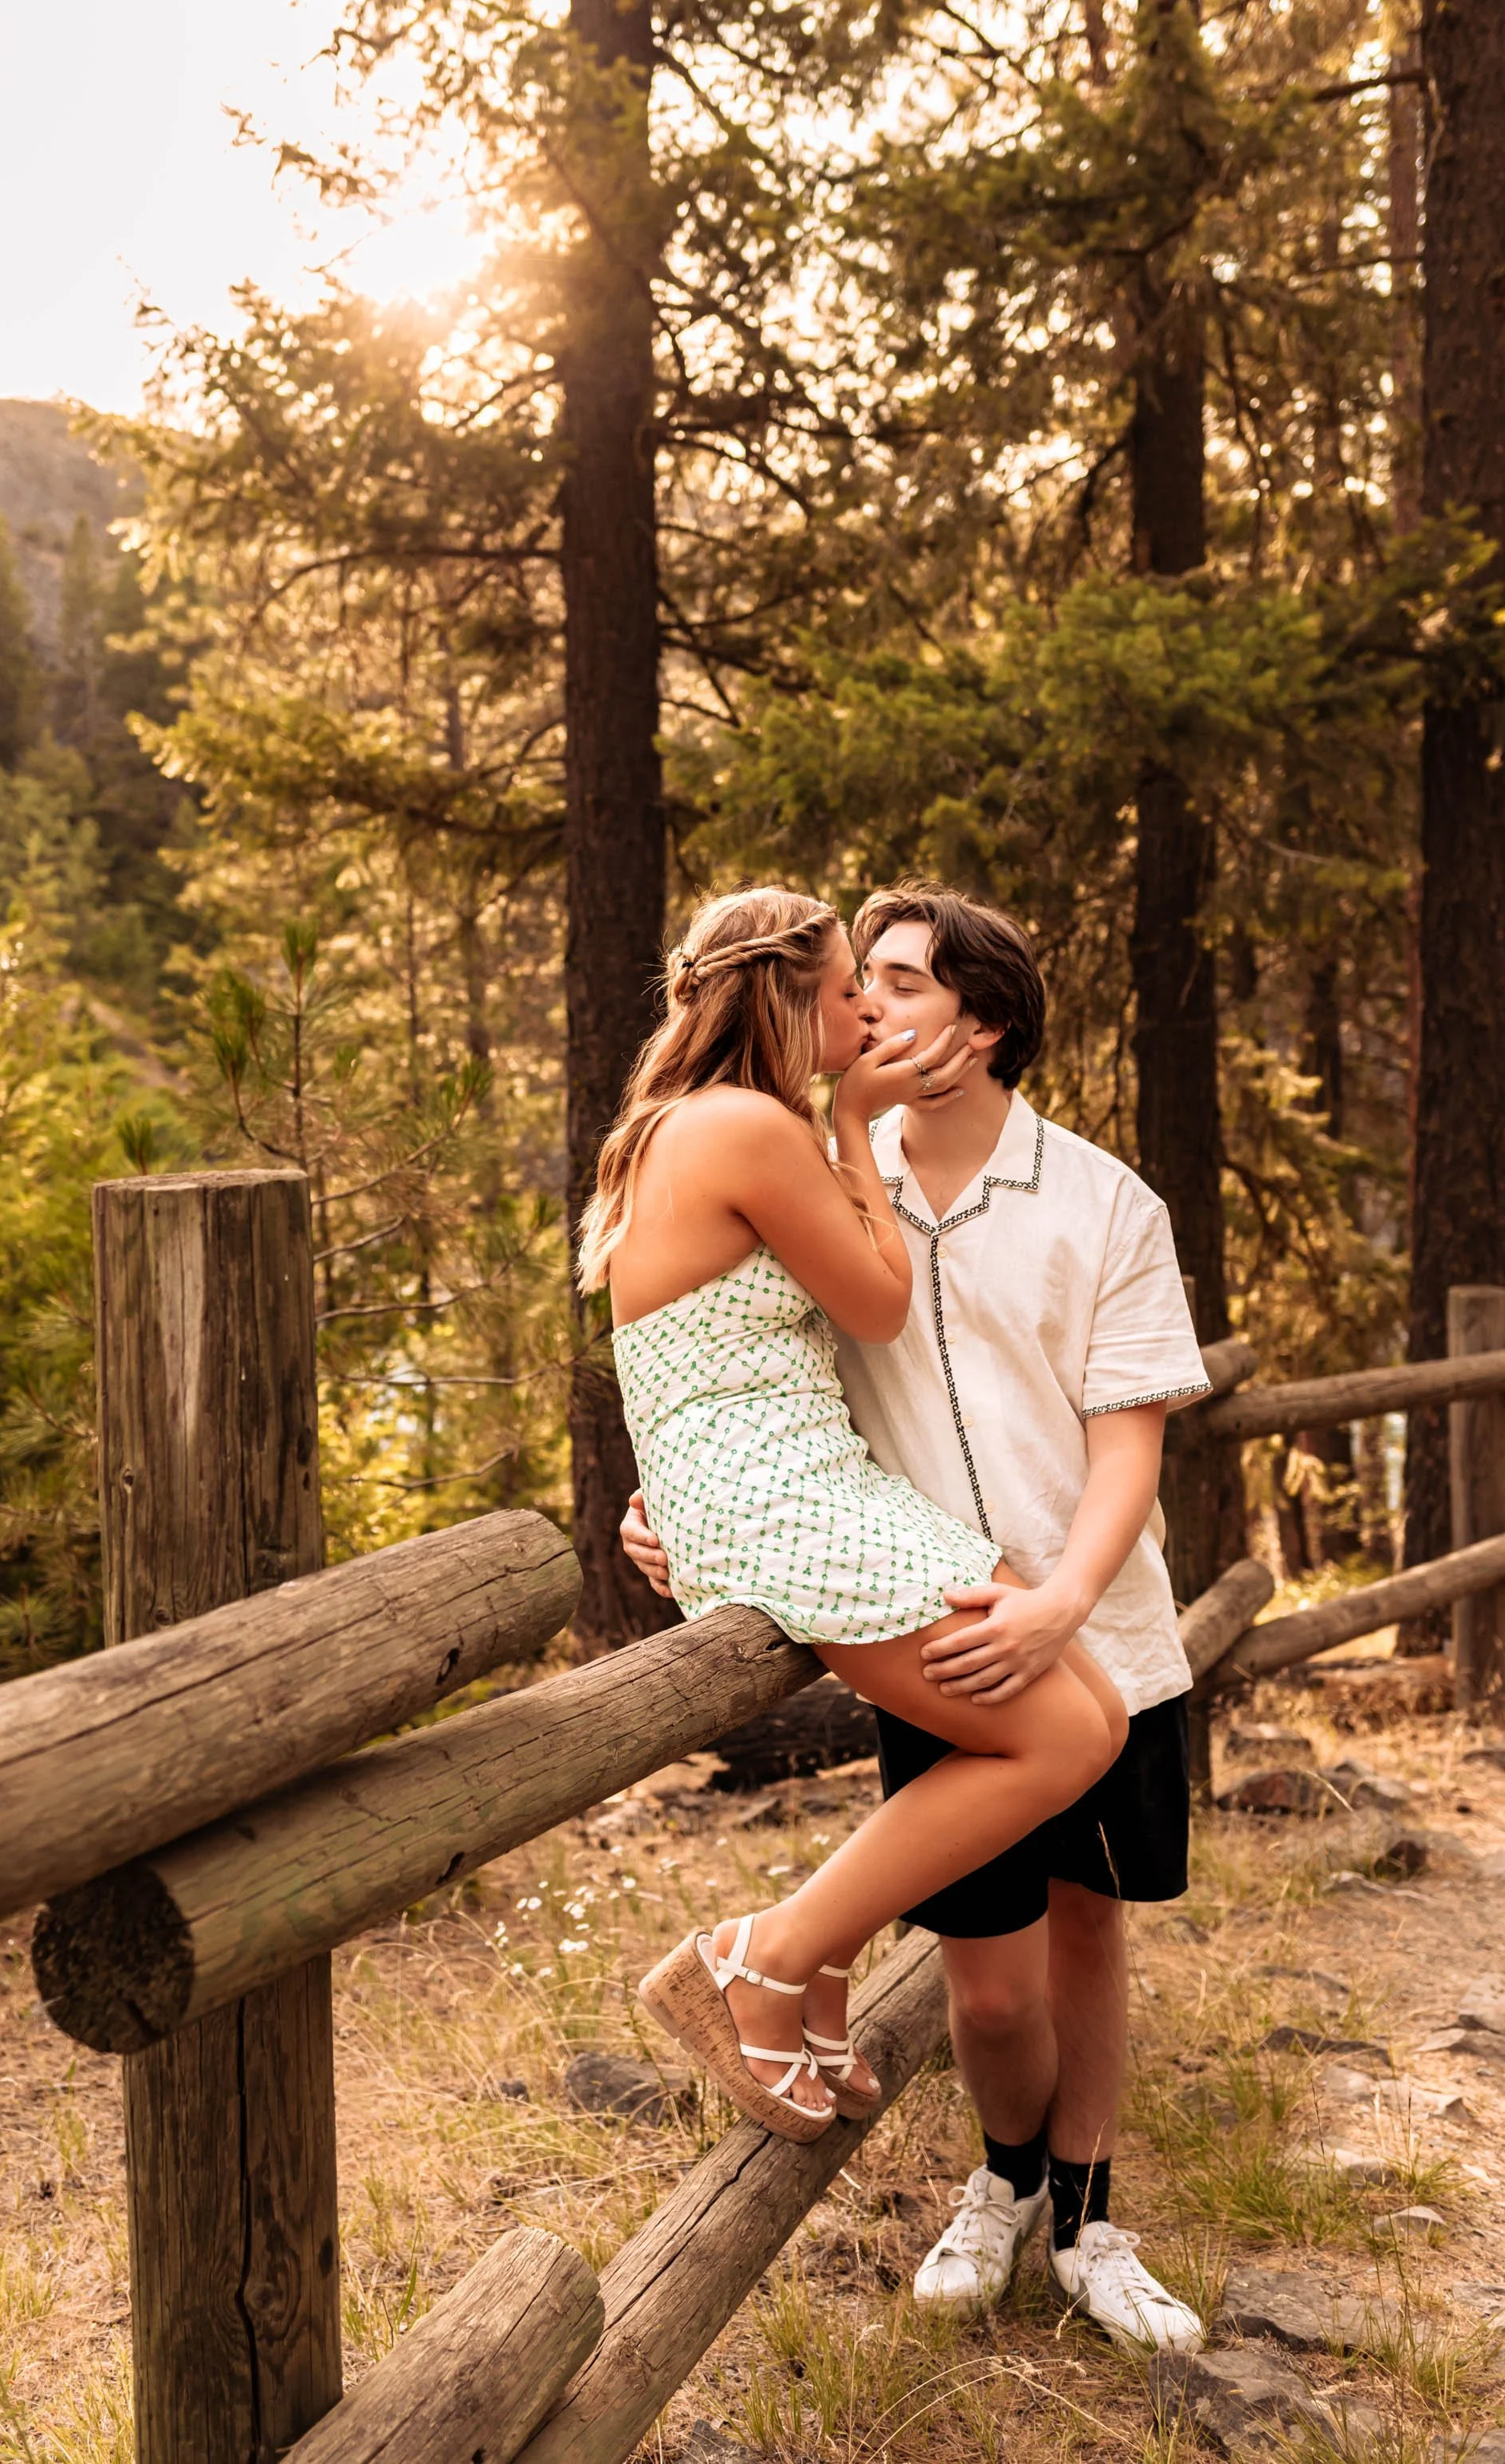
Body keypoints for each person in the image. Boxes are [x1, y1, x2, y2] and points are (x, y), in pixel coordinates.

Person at [622, 879, 1211, 2356]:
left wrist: (1064, 1600)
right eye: (855, 980)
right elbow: (720, 1344)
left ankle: (1086, 2217)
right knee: (993, 1990)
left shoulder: (1103, 1202)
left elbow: (1131, 1439)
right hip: (922, 1608)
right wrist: (675, 1499)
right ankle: (996, 2180)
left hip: (1092, 1614)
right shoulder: (821, 1161)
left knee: (1092, 1929)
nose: (868, 1004)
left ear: (985, 1022)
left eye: (899, 980)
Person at [583, 884, 1125, 2150]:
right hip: (776, 1499)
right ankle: (761, 1956)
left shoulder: (719, 1122)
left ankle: (811, 1964)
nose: (864, 1011)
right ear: (784, 997)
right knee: (1055, 1741)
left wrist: (840, 1126)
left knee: (1093, 1714)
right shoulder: (748, 1128)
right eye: (843, 992)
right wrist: (854, 1123)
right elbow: (880, 1306)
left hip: (797, 1478)